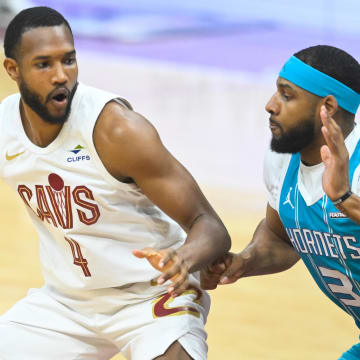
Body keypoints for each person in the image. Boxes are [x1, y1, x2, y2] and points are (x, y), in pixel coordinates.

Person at [0, 6, 231, 360]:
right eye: (44, 64)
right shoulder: (6, 129)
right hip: (67, 303)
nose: (61, 75)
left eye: (69, 60)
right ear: (13, 69)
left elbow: (211, 226)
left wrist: (184, 258)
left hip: (152, 296)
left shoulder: (117, 130)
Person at [200, 45, 360, 360]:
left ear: (326, 106)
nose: (270, 105)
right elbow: (281, 237)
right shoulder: (282, 161)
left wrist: (343, 197)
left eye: (286, 95)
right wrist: (243, 261)